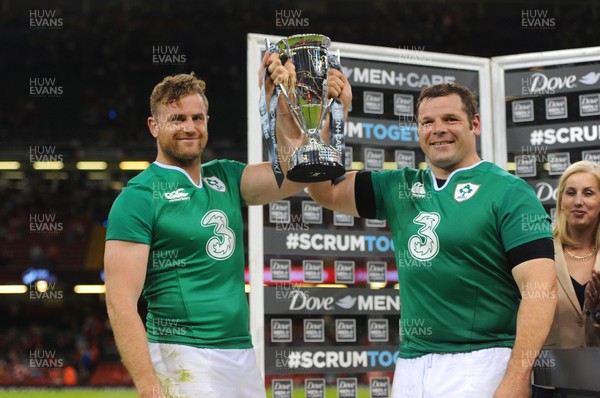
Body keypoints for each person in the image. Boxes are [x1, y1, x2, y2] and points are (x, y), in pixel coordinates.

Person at [103, 53, 350, 397]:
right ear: (153, 126)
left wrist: (314, 107)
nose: (189, 127)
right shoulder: (138, 197)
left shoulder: (226, 176)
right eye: (177, 119)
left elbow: (299, 173)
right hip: (181, 353)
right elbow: (119, 300)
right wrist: (146, 382)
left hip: (240, 353)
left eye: (197, 117)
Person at [307, 82, 557, 398]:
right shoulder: (398, 186)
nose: (438, 129)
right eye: (428, 122)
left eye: (450, 119)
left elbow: (541, 291)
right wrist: (334, 117)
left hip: (481, 362)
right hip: (412, 364)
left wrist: (518, 376)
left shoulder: (510, 191)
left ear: (474, 124)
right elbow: (322, 190)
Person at [533, 160, 600, 397]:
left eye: (589, 193)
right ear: (560, 200)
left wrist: (595, 312)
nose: (578, 201)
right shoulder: (539, 254)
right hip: (551, 386)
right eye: (570, 193)